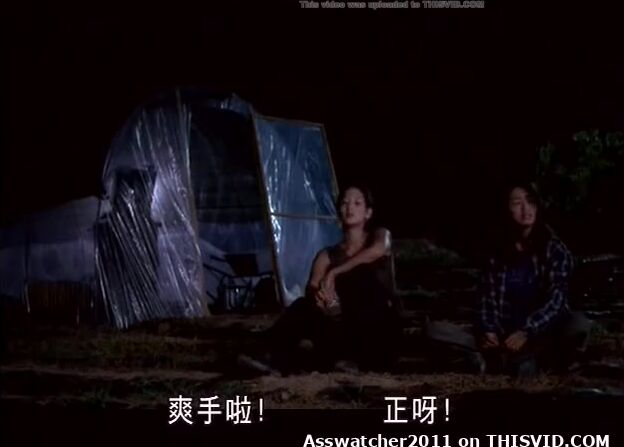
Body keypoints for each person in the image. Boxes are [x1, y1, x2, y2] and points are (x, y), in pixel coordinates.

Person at [424, 182, 591, 376]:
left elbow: (556, 301)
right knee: (434, 330)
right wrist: (488, 330)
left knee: (578, 324)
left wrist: (527, 331)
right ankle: (500, 358)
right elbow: (486, 296)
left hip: (540, 333)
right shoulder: (497, 250)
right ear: (506, 209)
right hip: (504, 334)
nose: (525, 210)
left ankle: (522, 361)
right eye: (517, 203)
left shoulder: (555, 250)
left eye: (530, 202)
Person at [266, 184, 402, 374]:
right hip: (345, 323)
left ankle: (362, 359)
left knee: (358, 278)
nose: (350, 207)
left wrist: (334, 273)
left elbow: (377, 251)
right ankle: (271, 356)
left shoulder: (379, 236)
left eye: (357, 203)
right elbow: (313, 287)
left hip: (379, 325)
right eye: (345, 203)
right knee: (302, 306)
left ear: (368, 213)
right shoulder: (327, 255)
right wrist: (321, 298)